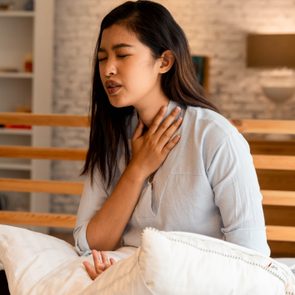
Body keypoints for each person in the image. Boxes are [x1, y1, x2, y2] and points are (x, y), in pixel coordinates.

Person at [74, 0, 270, 280]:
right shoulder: (113, 135)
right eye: (103, 57)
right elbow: (90, 245)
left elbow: (252, 257)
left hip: (195, 281)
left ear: (164, 61)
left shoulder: (214, 136)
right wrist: (137, 170)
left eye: (122, 55)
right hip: (119, 277)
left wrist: (151, 277)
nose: (108, 69)